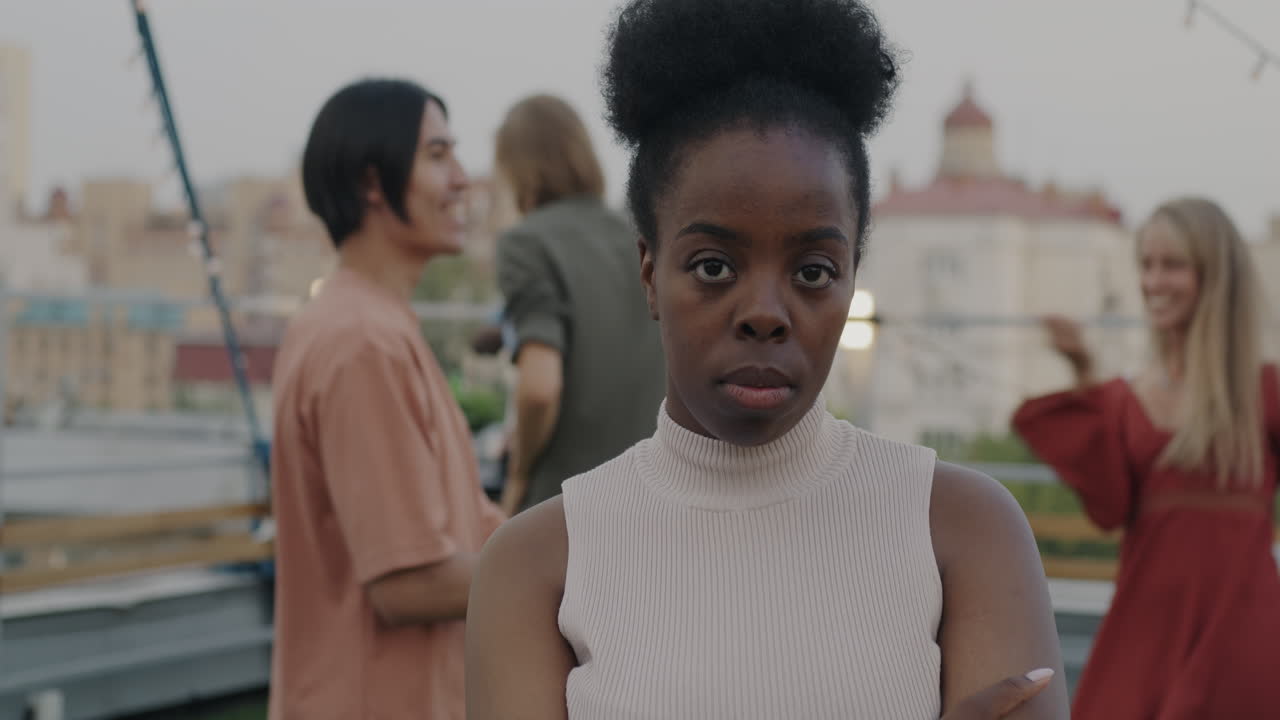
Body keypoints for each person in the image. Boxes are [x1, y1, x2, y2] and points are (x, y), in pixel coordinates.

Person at [464, 1, 1068, 718]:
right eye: (715, 266)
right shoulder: (537, 566)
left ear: (851, 279)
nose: (764, 313)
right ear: (650, 274)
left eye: (813, 271)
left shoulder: (965, 532)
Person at [269, 78, 504, 720]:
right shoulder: (360, 342)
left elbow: (468, 522)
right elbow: (405, 585)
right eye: (437, 156)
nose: (461, 180)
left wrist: (603, 527)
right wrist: (579, 570)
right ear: (373, 182)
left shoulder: (377, 326)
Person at [1012, 197, 1280, 719]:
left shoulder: (1262, 392)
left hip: (1242, 630)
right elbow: (1110, 508)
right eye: (1147, 264)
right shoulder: (1124, 399)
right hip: (1145, 630)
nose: (1154, 281)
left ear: (1216, 274)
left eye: (1173, 265)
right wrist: (1084, 367)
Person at [491, 94, 666, 515]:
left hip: (565, 506)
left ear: (517, 170)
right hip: (655, 492)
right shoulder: (641, 234)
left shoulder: (526, 242)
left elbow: (539, 388)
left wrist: (518, 475)